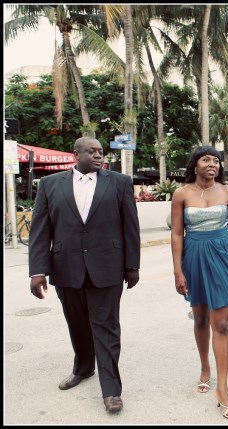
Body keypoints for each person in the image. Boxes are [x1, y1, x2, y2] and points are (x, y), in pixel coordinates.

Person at [28, 137, 141, 414]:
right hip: (66, 267)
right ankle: (83, 368)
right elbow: (41, 231)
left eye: (100, 151)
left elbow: (130, 226)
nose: (98, 155)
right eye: (91, 151)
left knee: (106, 328)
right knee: (76, 323)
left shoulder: (120, 182)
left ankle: (112, 390)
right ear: (75, 153)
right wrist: (37, 271)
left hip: (108, 267)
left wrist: (132, 265)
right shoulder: (50, 184)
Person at [170, 146, 228, 421]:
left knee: (222, 324)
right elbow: (177, 234)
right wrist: (177, 270)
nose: (212, 164)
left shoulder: (226, 192)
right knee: (201, 319)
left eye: (216, 160)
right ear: (194, 165)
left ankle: (223, 389)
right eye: (206, 159)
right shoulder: (181, 194)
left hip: (223, 256)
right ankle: (205, 367)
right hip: (194, 257)